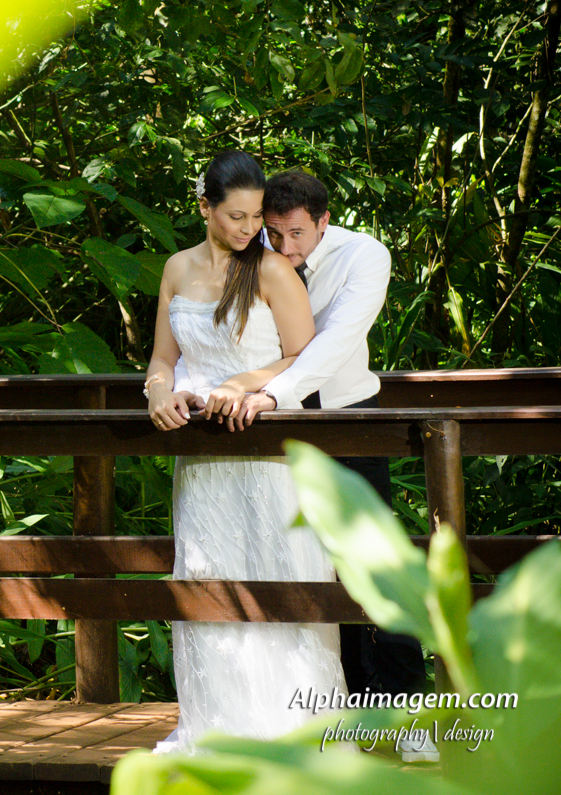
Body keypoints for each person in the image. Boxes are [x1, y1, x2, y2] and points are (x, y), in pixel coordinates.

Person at [218, 169, 436, 762]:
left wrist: (273, 394)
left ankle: (408, 715)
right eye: (274, 235)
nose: (284, 250)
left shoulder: (364, 255)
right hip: (269, 429)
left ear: (323, 221)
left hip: (345, 417)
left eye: (295, 235)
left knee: (376, 564)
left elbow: (335, 341)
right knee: (300, 565)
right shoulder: (250, 250)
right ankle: (340, 713)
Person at [144, 151, 348, 753]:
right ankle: (218, 728)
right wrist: (159, 393)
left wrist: (243, 384)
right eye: (236, 216)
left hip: (264, 451)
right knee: (209, 576)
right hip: (202, 460)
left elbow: (301, 359)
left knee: (280, 572)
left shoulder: (271, 272)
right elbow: (163, 357)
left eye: (256, 216)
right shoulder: (177, 268)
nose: (249, 229)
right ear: (204, 207)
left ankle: (300, 729)